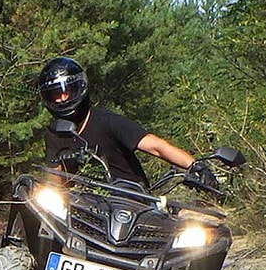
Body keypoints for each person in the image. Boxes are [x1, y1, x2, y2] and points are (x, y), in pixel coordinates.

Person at [37, 57, 217, 190]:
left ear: (79, 88)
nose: (62, 99)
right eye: (55, 95)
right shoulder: (55, 134)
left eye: (66, 92)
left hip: (133, 201)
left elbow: (157, 146)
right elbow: (55, 178)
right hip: (87, 209)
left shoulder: (107, 121)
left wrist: (195, 166)